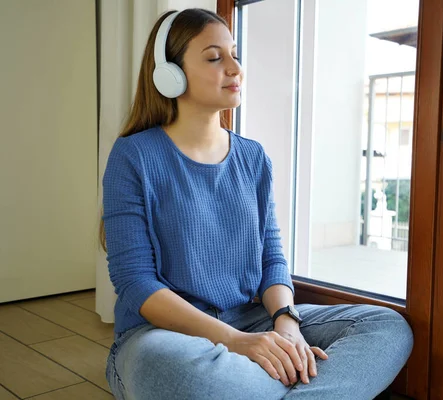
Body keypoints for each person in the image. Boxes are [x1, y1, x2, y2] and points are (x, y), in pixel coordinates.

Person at [100, 8, 413, 400]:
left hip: (253, 319)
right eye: (215, 57)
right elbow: (136, 284)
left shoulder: (253, 157)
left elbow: (272, 259)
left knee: (385, 327)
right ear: (170, 73)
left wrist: (286, 324)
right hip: (163, 337)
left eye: (235, 54)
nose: (235, 68)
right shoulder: (134, 156)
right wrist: (235, 343)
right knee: (179, 376)